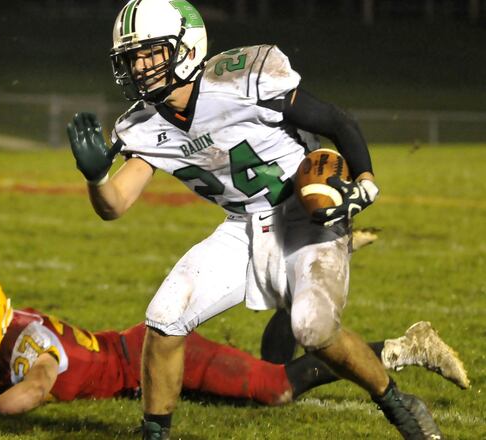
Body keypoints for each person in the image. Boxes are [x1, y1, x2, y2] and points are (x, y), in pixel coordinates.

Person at [66, 1, 443, 438]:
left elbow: (335, 120)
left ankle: (397, 404)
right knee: (165, 317)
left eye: (152, 53)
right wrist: (95, 177)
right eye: (133, 57)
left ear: (186, 47)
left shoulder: (241, 78)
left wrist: (365, 179)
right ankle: (155, 433)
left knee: (312, 328)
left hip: (305, 213)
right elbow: (115, 204)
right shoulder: (143, 126)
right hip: (241, 226)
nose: (140, 66)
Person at [0, 272, 469, 413]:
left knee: (273, 391)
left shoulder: (24, 346)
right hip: (131, 365)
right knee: (255, 393)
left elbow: (38, 386)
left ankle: (404, 346)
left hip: (151, 356)